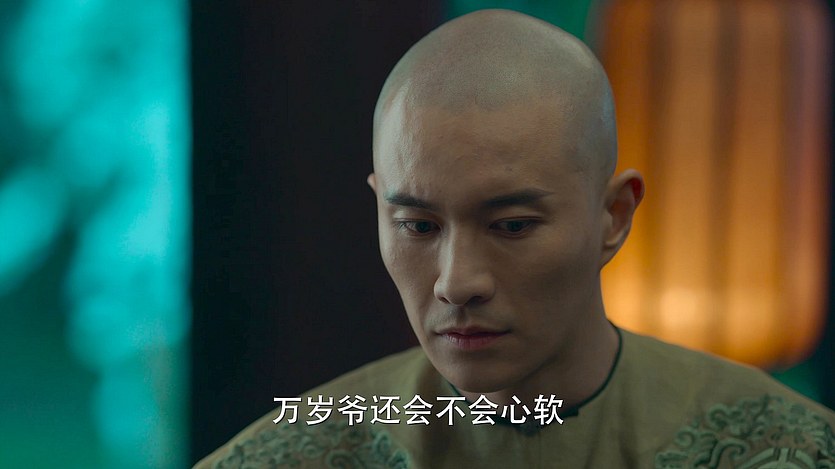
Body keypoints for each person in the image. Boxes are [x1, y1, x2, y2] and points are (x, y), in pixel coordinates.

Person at [196, 9, 835, 468]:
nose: (456, 282)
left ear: (613, 216)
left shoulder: (788, 449)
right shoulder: (294, 453)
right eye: (418, 226)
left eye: (511, 226)